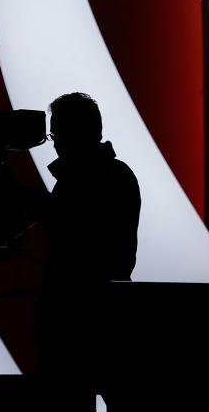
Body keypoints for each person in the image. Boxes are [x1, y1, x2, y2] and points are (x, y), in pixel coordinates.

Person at [35, 92, 141, 386]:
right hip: (103, 314)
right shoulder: (115, 175)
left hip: (77, 318)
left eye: (57, 133)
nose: (53, 142)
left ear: (74, 132)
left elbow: (76, 245)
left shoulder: (83, 182)